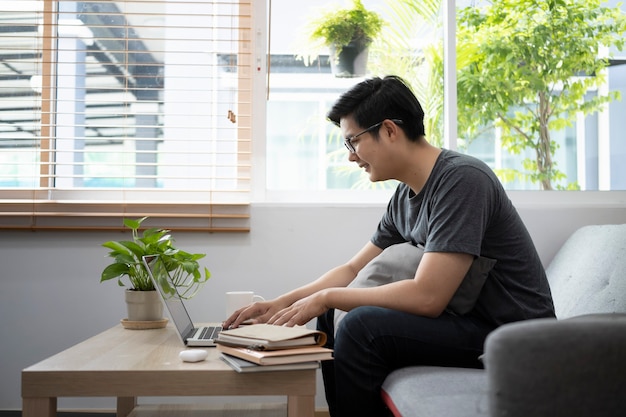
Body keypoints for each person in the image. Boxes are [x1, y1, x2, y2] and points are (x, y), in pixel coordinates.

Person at [223, 75, 555, 417]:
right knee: (329, 311)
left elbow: (428, 297)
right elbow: (352, 270)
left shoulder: (463, 180)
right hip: (470, 323)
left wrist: (328, 297)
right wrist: (282, 302)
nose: (351, 157)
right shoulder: (404, 197)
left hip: (513, 337)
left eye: (353, 141)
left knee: (359, 326)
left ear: (389, 130)